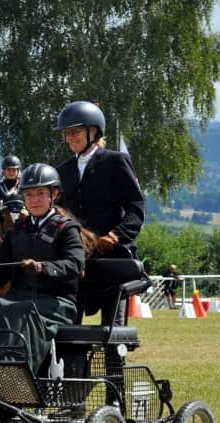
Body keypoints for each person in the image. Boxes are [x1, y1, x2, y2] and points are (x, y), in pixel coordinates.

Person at [0, 163, 85, 376]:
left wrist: (42, 267)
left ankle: (14, 377)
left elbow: (75, 264)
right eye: (30, 194)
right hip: (19, 298)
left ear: (54, 194)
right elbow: (0, 270)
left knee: (17, 312)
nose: (35, 200)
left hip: (56, 303)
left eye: (41, 193)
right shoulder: (17, 231)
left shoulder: (66, 228)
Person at [54, 101, 145, 325]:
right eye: (66, 133)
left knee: (112, 330)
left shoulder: (116, 162)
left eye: (74, 132)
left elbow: (136, 208)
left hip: (112, 257)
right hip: (78, 259)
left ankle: (115, 359)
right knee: (68, 328)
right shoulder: (63, 170)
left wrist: (115, 236)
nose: (69, 138)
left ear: (93, 131)